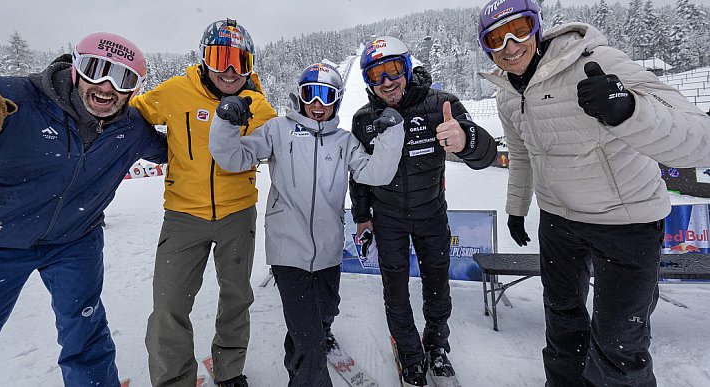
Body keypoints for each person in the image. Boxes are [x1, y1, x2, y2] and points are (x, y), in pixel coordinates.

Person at [0, 32, 167, 386]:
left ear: (135, 87)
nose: (107, 87)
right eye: (96, 69)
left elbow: (177, 154)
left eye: (123, 78)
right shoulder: (10, 102)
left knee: (86, 339)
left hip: (75, 243)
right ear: (75, 68)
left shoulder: (130, 128)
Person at [476, 0, 710, 385]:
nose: (511, 46)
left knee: (619, 343)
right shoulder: (506, 95)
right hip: (559, 221)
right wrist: (517, 208)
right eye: (496, 39)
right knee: (562, 324)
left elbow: (698, 136)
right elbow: (521, 154)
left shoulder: (596, 61)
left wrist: (630, 110)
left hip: (626, 222)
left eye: (519, 30)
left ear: (537, 28)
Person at [209, 62, 405, 386]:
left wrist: (390, 135)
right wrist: (226, 124)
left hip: (328, 249)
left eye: (326, 95)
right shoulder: (277, 130)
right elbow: (234, 158)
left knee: (324, 316)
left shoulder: (344, 141)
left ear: (336, 100)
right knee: (312, 342)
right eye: (310, 93)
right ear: (300, 96)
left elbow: (375, 174)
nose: (317, 103)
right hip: (288, 248)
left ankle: (300, 348)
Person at [130, 18, 277, 387]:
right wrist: (157, 148)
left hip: (237, 214)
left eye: (240, 62)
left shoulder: (256, 105)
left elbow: (288, 145)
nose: (229, 70)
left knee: (236, 297)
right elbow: (131, 113)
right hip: (182, 216)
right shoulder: (176, 92)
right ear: (203, 59)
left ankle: (229, 370)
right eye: (219, 58)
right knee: (169, 305)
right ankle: (174, 378)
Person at [349, 36, 497, 386]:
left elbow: (485, 155)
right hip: (389, 220)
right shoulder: (364, 120)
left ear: (408, 67)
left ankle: (437, 346)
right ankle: (410, 354)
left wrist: (466, 140)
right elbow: (358, 176)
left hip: (431, 215)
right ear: (368, 81)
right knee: (395, 292)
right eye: (376, 74)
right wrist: (361, 217)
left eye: (394, 69)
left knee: (437, 288)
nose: (387, 82)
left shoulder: (441, 104)